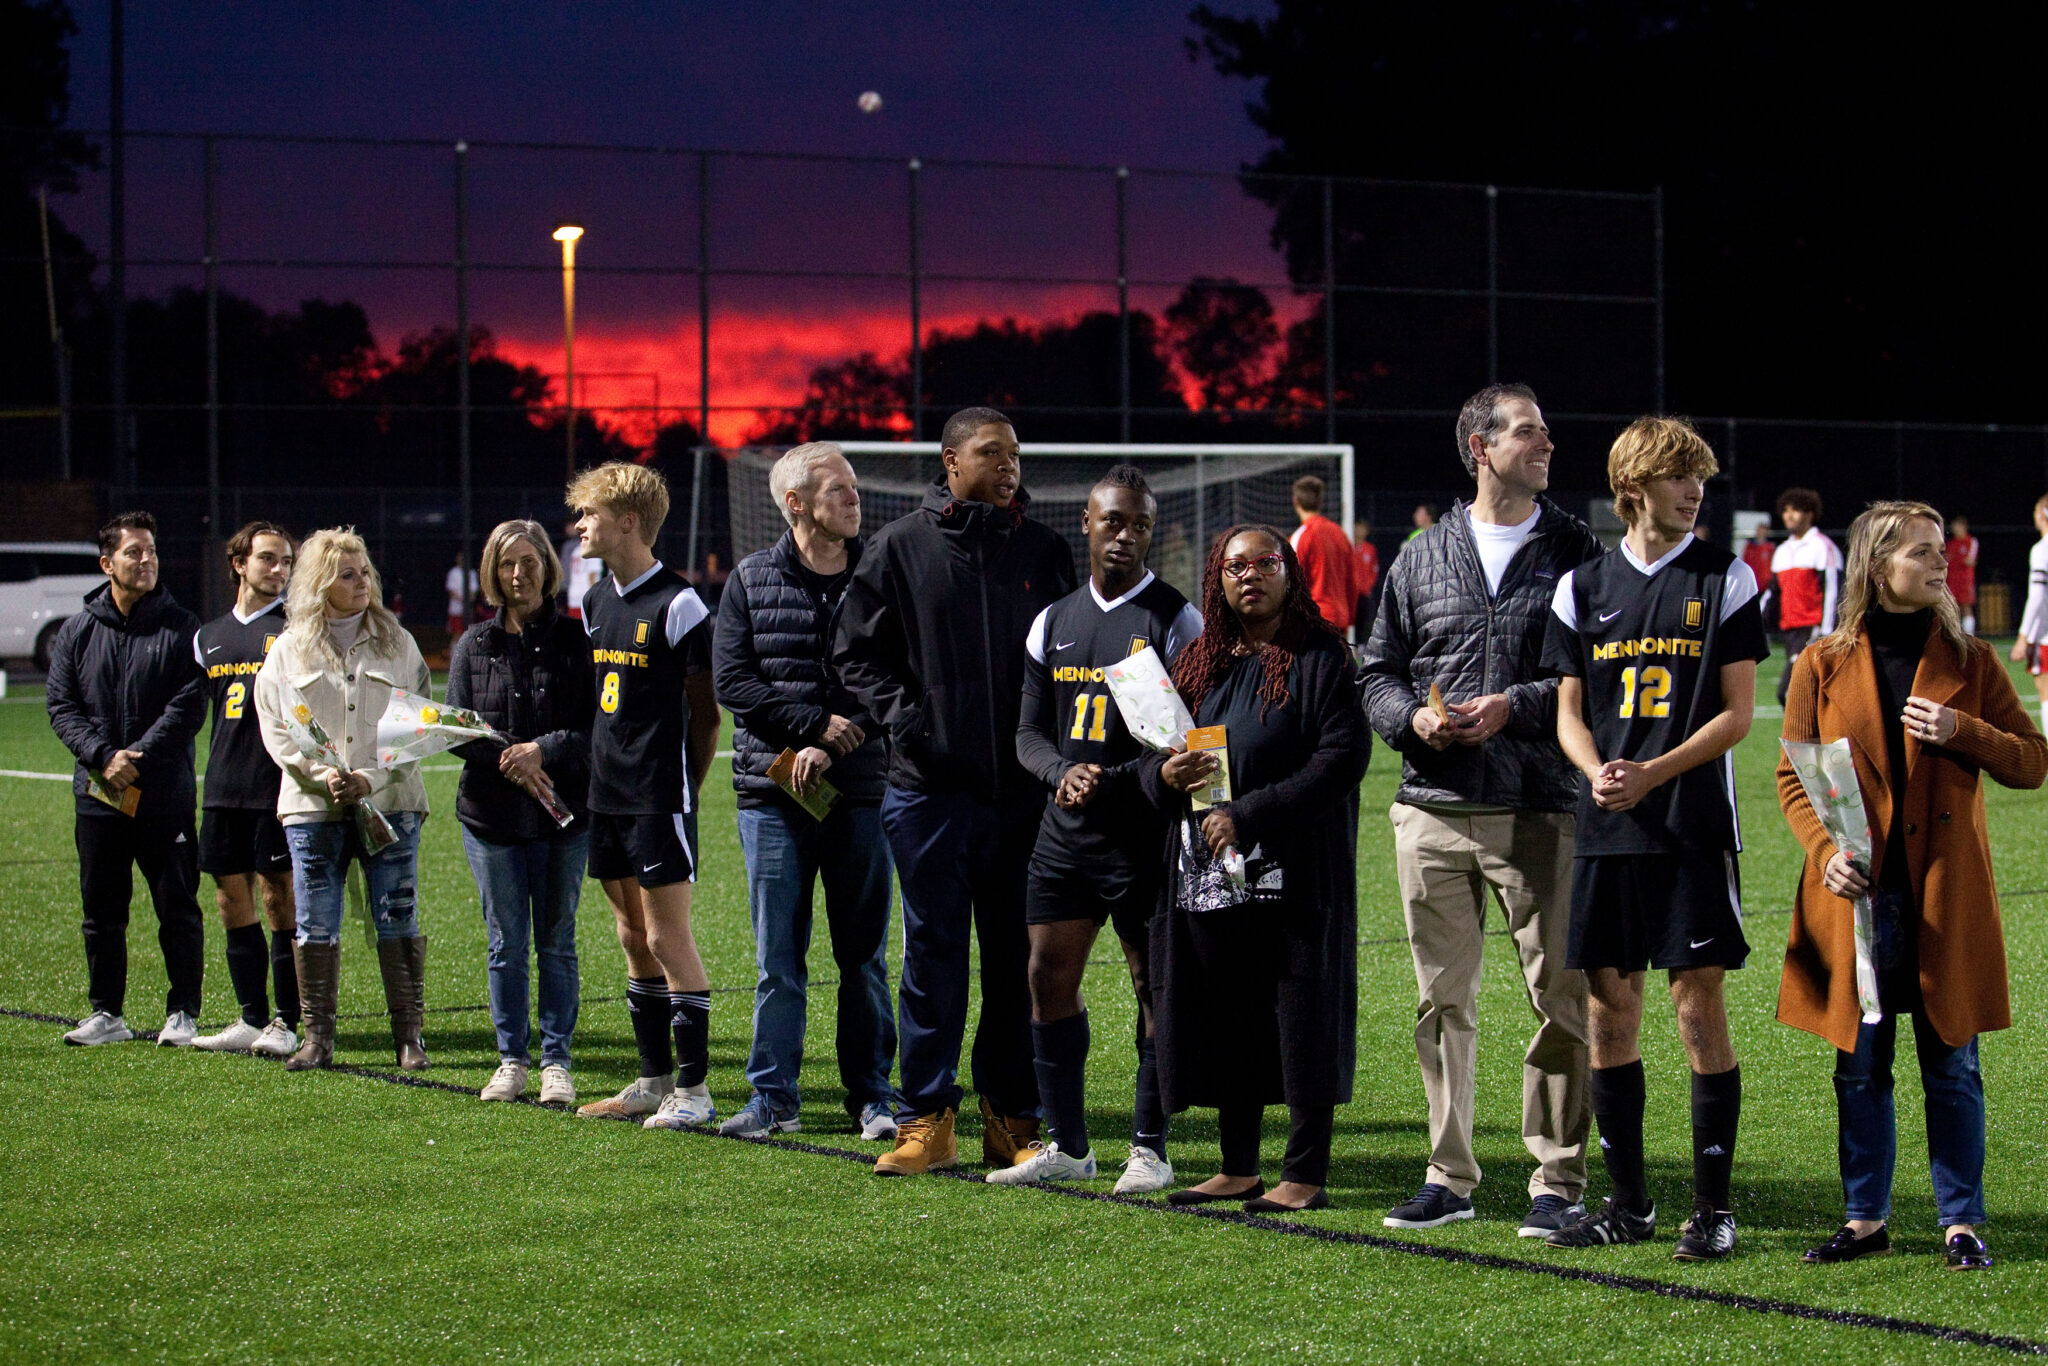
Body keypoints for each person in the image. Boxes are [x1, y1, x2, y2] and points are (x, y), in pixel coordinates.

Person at [1359, 383, 1602, 1237]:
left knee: (1561, 1002)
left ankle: (1557, 1183)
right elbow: (1376, 668)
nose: (1546, 445)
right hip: (1431, 806)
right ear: (1480, 446)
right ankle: (1449, 1175)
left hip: (1540, 804)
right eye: (1529, 432)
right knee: (1440, 1003)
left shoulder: (1577, 549)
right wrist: (1410, 718)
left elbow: (1592, 679)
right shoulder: (1421, 554)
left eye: (1545, 431)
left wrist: (1516, 706)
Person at [1778, 501, 2046, 1271]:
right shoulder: (1821, 662)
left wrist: (1963, 732)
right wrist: (1823, 850)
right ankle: (1866, 1219)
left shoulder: (1970, 661)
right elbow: (1793, 775)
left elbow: (2032, 762)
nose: (1940, 566)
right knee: (1860, 1064)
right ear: (1877, 566)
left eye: (1939, 553)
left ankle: (1960, 1221)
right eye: (1922, 554)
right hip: (1855, 897)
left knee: (1952, 1064)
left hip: (1942, 898)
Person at [1541, 417, 1769, 1260]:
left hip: (1690, 826)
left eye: (1699, 479)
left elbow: (1737, 716)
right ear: (1633, 487)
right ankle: (1628, 1203)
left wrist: (1652, 772)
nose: (1694, 491)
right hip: (1609, 826)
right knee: (1609, 1013)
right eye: (1679, 477)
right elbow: (1568, 710)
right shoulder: (1581, 586)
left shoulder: (1726, 577)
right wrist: (1598, 768)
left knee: (1696, 1006)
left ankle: (1712, 1210)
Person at [836, 406, 1076, 1176]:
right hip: (928, 795)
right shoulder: (900, 547)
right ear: (950, 461)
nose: (1009, 465)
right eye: (991, 452)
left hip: (1022, 801)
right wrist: (912, 722)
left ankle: (1011, 1122)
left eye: (1015, 452)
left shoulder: (1045, 549)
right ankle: (925, 1122)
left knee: (1018, 964)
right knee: (932, 959)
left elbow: (1069, 665)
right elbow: (854, 652)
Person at [1139, 526, 1370, 1212]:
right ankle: (1238, 1166)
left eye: (1265, 562)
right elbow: (1159, 753)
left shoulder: (1320, 655)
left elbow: (1342, 758)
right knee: (1229, 1014)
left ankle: (1303, 1173)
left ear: (1288, 572)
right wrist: (1164, 775)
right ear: (1218, 577)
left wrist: (1255, 812)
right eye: (1236, 566)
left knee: (1300, 1014)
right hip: (1209, 870)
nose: (1250, 576)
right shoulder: (1199, 660)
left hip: (1294, 868)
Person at [995, 465, 1203, 1193]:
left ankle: (1150, 1147)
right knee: (1046, 977)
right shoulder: (1052, 621)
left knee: (1155, 985)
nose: (1125, 536)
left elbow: (1195, 742)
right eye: (1113, 521)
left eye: (1140, 525)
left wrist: (1121, 783)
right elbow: (1025, 734)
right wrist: (1059, 773)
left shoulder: (1176, 619)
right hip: (1065, 834)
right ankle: (1070, 1145)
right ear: (1086, 522)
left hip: (1144, 833)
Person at [713, 443, 897, 1142]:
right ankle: (773, 1099)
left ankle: (873, 1098)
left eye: (852, 488)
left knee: (864, 958)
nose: (854, 499)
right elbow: (734, 681)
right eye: (838, 489)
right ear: (796, 504)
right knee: (777, 961)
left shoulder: (880, 579)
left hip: (860, 794)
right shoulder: (750, 579)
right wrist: (814, 725)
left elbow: (900, 673)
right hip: (773, 800)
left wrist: (838, 740)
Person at [566, 462, 723, 1129]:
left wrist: (681, 786)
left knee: (667, 936)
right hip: (606, 797)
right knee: (631, 937)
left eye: (589, 515)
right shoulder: (594, 601)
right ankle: (654, 1080)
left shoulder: (681, 602)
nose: (579, 526)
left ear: (627, 521)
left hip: (659, 798)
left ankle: (696, 1091)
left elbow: (707, 714)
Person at [254, 527, 433, 1071]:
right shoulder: (288, 648)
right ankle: (317, 1038)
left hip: (392, 801)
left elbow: (420, 720)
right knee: (314, 921)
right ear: (320, 582)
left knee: (396, 915)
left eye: (365, 573)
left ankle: (409, 1038)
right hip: (312, 807)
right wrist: (317, 773)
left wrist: (369, 778)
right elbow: (275, 725)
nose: (361, 583)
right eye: (347, 574)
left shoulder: (396, 641)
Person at [46, 511, 208, 1048]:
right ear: (107, 563)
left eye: (152, 551)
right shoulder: (77, 629)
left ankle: (183, 1011)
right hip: (98, 795)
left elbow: (188, 706)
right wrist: (102, 755)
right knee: (102, 912)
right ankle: (106, 1013)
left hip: (162, 795)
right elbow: (61, 705)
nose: (147, 560)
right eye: (135, 552)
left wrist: (136, 757)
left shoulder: (183, 627)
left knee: (177, 908)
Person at [447, 520, 594, 1107]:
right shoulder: (472, 645)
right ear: (493, 572)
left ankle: (556, 1061)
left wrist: (545, 751)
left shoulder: (575, 641)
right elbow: (455, 728)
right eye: (508, 564)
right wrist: (514, 758)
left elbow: (593, 724)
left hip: (565, 816)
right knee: (506, 942)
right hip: (492, 816)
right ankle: (512, 1060)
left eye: (529, 562)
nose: (519, 574)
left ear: (547, 570)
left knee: (556, 939)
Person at [190, 522, 302, 1057]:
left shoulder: (295, 629)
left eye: (285, 562)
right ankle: (250, 1017)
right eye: (267, 559)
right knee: (230, 899)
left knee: (280, 899)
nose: (278, 570)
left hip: (275, 788)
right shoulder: (207, 636)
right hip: (221, 788)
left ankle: (287, 1021)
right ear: (239, 564)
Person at [1770, 488, 1841, 707]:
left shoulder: (1823, 547)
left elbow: (1833, 592)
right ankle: (1813, 739)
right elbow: (1773, 593)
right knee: (1807, 695)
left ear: (1809, 514)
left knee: (1789, 692)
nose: (1789, 515)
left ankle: (1806, 739)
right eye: (1785, 510)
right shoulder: (1782, 550)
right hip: (1790, 631)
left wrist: (1826, 631)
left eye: (1795, 510)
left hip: (1813, 630)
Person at [1288, 474, 1356, 634]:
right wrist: (1349, 620)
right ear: (1321, 502)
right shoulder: (1339, 533)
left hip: (1313, 622)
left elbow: (1291, 583)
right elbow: (1352, 581)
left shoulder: (1301, 537)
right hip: (1339, 620)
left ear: (1295, 502)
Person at [2010, 494, 2048, 735]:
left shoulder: (2041, 549)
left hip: (2046, 635)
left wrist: (2023, 637)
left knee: (2045, 690)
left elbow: (2037, 596)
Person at [561, 516, 604, 620]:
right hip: (585, 596)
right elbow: (592, 575)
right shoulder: (593, 549)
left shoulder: (576, 549)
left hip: (573, 596)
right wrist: (594, 598)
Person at [1943, 514, 1978, 636]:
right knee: (1951, 608)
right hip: (1952, 580)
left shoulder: (1970, 541)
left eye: (1957, 526)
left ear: (1964, 527)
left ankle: (1969, 636)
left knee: (1965, 607)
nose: (1954, 529)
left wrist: (1956, 559)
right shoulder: (1951, 544)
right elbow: (1946, 560)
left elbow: (1969, 561)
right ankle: (1955, 635)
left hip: (1965, 581)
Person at [1351, 519, 1380, 629]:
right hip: (1352, 592)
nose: (1359, 531)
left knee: (1364, 619)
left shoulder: (1370, 549)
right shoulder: (1349, 547)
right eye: (1357, 527)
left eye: (1362, 528)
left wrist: (1368, 586)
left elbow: (1374, 570)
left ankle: (1362, 644)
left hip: (1364, 592)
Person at [445, 553, 479, 638]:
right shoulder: (453, 572)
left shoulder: (472, 573)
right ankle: (454, 651)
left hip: (468, 611)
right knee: (456, 635)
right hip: (456, 610)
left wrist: (468, 601)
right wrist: (463, 601)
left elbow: (474, 590)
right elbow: (451, 591)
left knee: (467, 636)